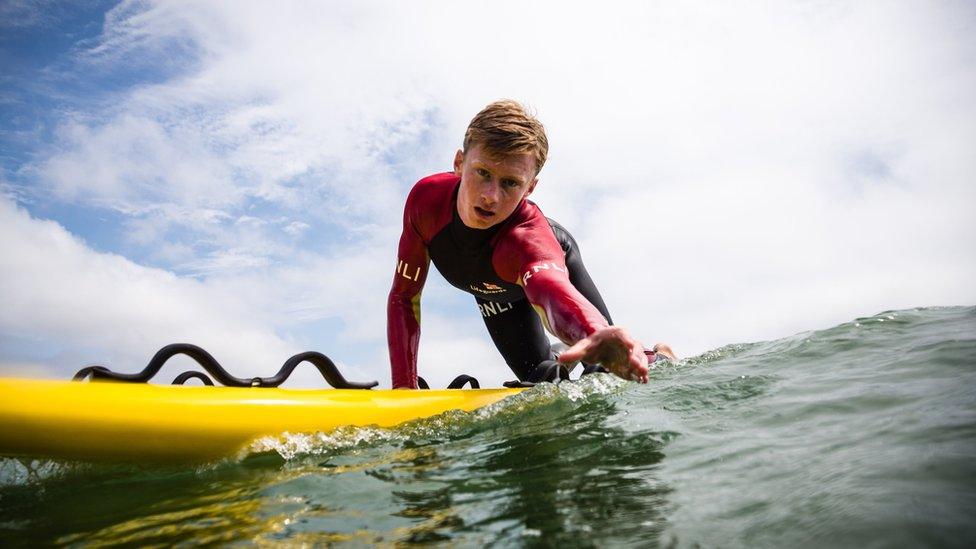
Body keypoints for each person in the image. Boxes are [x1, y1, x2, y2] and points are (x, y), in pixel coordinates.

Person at [387, 100, 674, 389]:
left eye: (510, 183)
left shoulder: (525, 241)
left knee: (603, 371)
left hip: (554, 263)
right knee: (540, 379)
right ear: (459, 163)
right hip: (497, 294)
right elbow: (403, 297)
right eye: (483, 173)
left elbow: (552, 294)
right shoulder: (426, 204)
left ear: (530, 188)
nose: (491, 196)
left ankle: (658, 356)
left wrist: (593, 331)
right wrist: (403, 387)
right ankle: (560, 355)